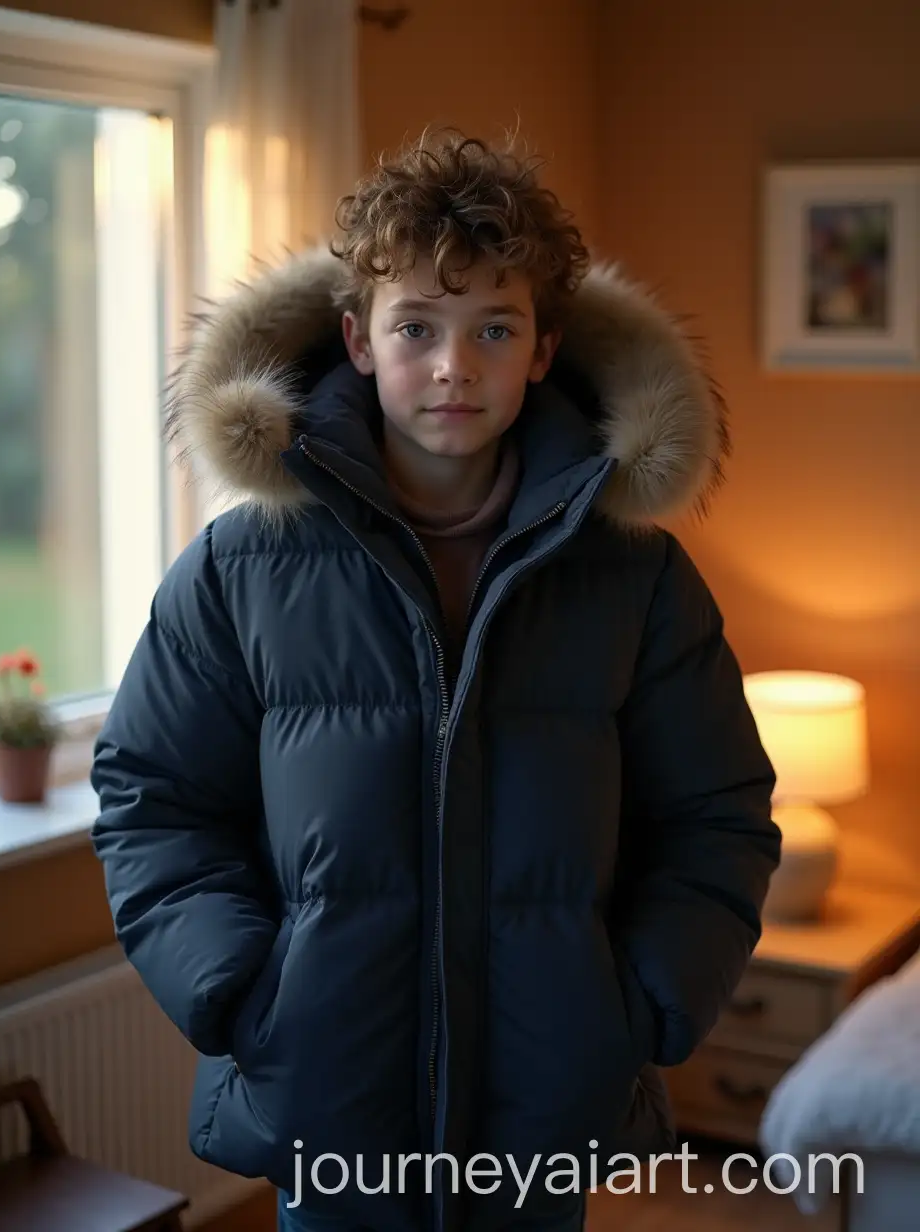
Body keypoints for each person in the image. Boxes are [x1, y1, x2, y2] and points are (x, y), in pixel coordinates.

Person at [90, 129, 780, 1232]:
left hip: (544, 1103)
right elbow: (150, 796)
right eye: (418, 326)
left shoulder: (635, 573)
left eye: (493, 327)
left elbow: (717, 810)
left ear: (543, 346)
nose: (453, 364)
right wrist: (238, 987)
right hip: (327, 1097)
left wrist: (644, 996)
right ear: (358, 339)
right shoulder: (238, 566)